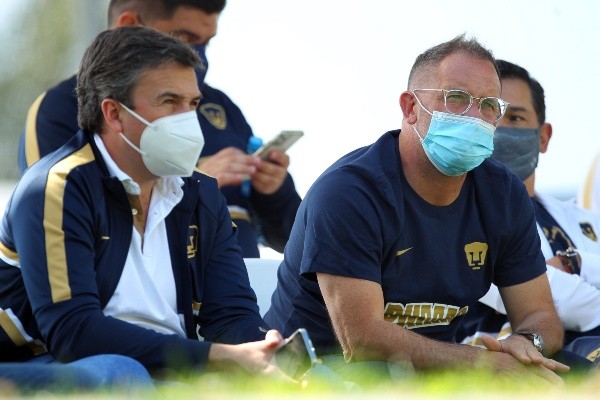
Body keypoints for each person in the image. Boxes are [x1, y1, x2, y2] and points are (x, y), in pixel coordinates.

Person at [264, 35, 570, 384]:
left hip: (433, 372)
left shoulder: (503, 192)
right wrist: (483, 365)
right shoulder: (349, 192)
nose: (474, 116)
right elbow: (362, 340)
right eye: (456, 98)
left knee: (578, 370)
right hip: (314, 374)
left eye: (488, 105)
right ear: (410, 107)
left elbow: (539, 313)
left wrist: (525, 345)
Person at [0, 26, 284, 383]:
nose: (187, 118)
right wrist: (218, 356)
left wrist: (263, 353)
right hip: (45, 364)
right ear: (114, 113)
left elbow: (231, 314)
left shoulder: (201, 192)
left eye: (192, 103)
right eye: (169, 101)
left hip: (169, 363)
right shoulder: (56, 187)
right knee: (123, 372)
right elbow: (72, 332)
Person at [18, 0, 301, 258]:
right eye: (184, 38)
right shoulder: (61, 109)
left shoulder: (222, 108)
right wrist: (194, 185)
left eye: (207, 43)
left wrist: (274, 191)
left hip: (238, 296)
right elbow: (64, 226)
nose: (198, 57)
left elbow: (295, 241)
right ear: (129, 25)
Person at [455, 59, 600, 359]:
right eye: (491, 116)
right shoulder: (457, 216)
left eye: (516, 118)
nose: (499, 130)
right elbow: (551, 300)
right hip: (513, 360)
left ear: (543, 137)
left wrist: (575, 263)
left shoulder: (582, 218)